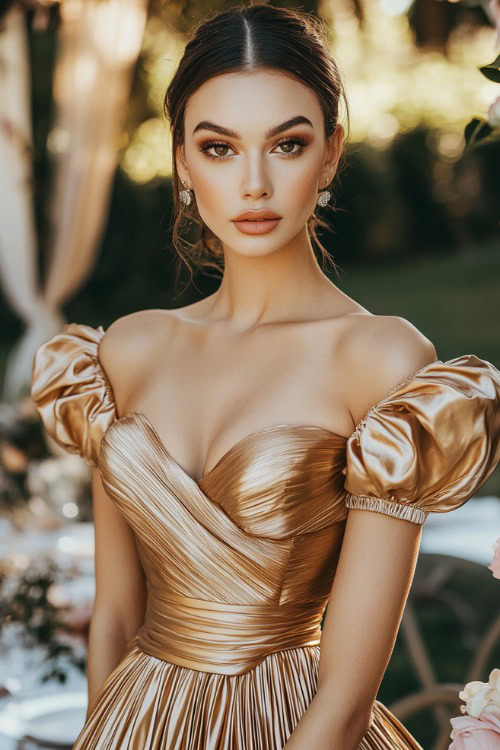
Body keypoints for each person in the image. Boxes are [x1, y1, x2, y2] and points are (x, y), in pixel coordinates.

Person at [30, 4, 500, 749]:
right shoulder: (129, 350)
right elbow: (117, 615)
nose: (254, 183)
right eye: (219, 148)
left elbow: (347, 697)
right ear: (182, 161)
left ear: (331, 153)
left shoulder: (379, 360)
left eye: (286, 144)